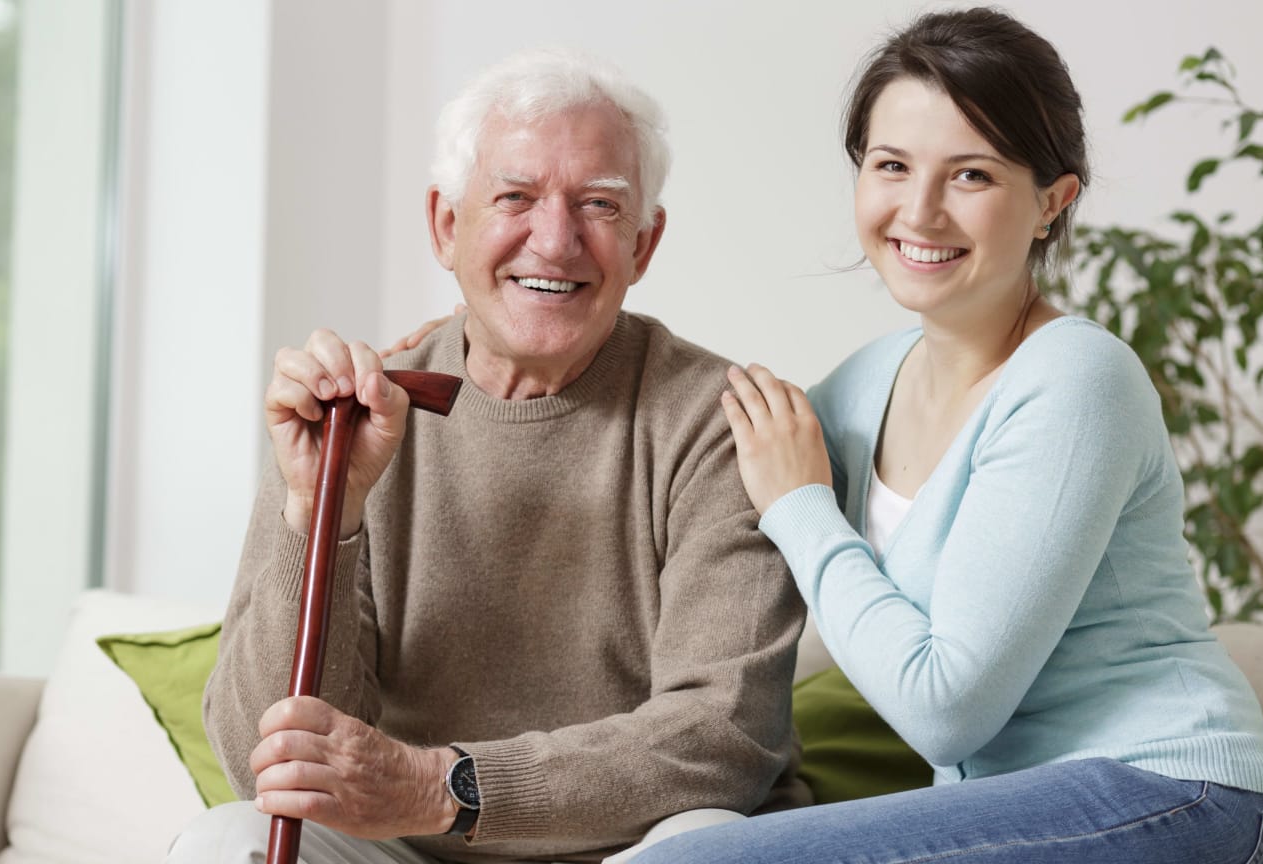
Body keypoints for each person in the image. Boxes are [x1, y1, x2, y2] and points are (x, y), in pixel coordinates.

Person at [629, 8, 1263, 863]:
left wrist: (803, 505)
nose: (920, 211)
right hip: (1020, 804)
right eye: (892, 165)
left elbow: (945, 711)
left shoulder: (1077, 379)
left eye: (970, 175)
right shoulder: (864, 385)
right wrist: (490, 340)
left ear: (1052, 201)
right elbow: (690, 439)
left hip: (1171, 792)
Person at [163, 48, 811, 864]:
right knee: (228, 841)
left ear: (644, 245)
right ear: (445, 225)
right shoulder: (352, 410)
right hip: (406, 853)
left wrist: (448, 785)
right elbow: (265, 762)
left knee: (711, 851)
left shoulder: (719, 421)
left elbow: (722, 737)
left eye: (600, 206)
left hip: (630, 847)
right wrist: (318, 512)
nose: (556, 240)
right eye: (515, 197)